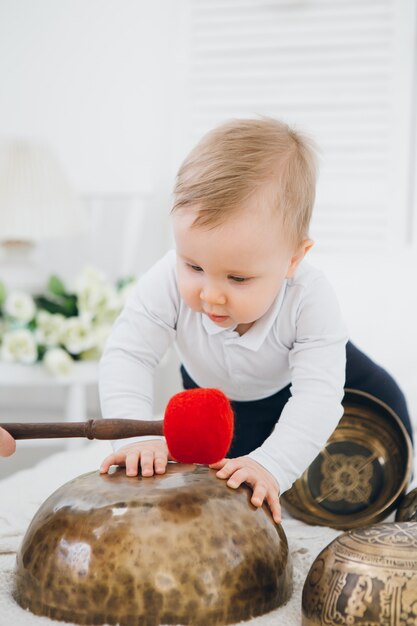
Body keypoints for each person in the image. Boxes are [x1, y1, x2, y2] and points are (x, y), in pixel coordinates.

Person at [99, 118, 412, 524]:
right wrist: (138, 438)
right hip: (229, 401)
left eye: (238, 278)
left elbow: (317, 399)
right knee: (227, 477)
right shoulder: (164, 281)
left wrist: (274, 463)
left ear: (293, 259)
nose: (210, 293)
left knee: (370, 470)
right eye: (193, 265)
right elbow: (128, 354)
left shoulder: (310, 298)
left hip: (345, 390)